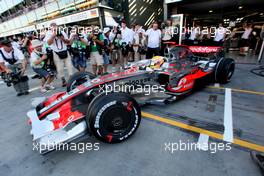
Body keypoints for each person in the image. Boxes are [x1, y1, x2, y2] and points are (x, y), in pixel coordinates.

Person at [44, 22, 73, 87]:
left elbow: (68, 42)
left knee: (69, 66)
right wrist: (53, 36)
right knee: (60, 68)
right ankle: (63, 80)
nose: (55, 29)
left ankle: (72, 79)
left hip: (65, 51)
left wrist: (61, 38)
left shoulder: (62, 32)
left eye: (55, 27)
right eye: (53, 28)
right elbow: (48, 43)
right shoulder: (49, 33)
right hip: (56, 52)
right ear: (50, 28)